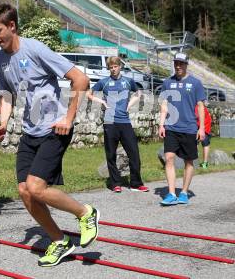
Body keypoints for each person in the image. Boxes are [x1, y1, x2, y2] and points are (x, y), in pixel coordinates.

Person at [0, 3, 99, 267]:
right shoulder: (0, 60)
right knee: (24, 191)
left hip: (55, 129)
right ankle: (60, 242)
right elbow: (8, 95)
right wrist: (2, 123)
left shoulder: (35, 49)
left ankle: (86, 213)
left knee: (37, 187)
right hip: (30, 131)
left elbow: (80, 79)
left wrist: (68, 118)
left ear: (11, 26)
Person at [87, 56, 148, 193]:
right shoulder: (104, 82)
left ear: (120, 66)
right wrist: (101, 102)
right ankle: (115, 183)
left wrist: (129, 105)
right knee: (111, 155)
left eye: (115, 66)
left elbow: (138, 93)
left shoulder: (128, 81)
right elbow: (89, 94)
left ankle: (136, 183)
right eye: (110, 67)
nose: (113, 69)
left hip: (125, 122)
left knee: (134, 153)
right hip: (110, 123)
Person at [158, 52, 206, 206]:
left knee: (188, 161)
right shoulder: (167, 83)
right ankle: (171, 194)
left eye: (181, 63)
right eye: (176, 63)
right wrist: (161, 124)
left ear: (186, 65)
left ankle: (184, 192)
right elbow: (164, 104)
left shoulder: (196, 83)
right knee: (169, 158)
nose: (178, 66)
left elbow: (200, 106)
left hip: (189, 128)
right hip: (171, 127)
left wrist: (202, 128)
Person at [195, 103, 212, 168]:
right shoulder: (201, 106)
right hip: (205, 126)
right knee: (205, 144)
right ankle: (204, 163)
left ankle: (199, 162)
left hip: (203, 126)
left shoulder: (196, 107)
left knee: (198, 143)